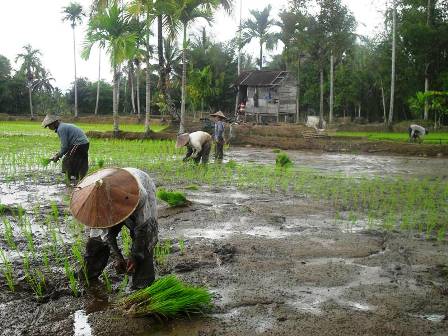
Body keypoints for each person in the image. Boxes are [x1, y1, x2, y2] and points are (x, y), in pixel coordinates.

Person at [70, 167, 158, 289]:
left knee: (146, 238)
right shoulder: (93, 201)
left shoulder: (140, 194)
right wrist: (117, 256)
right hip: (108, 195)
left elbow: (142, 227)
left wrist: (134, 256)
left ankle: (143, 282)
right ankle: (88, 273)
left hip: (133, 193)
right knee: (97, 241)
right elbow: (105, 235)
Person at [42, 114, 89, 182]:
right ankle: (80, 178)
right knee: (79, 161)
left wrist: (58, 156)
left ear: (54, 123)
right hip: (84, 143)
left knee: (67, 160)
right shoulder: (63, 126)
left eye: (49, 126)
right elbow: (67, 146)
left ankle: (68, 179)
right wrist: (58, 154)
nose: (49, 128)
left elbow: (65, 146)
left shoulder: (61, 129)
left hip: (79, 143)